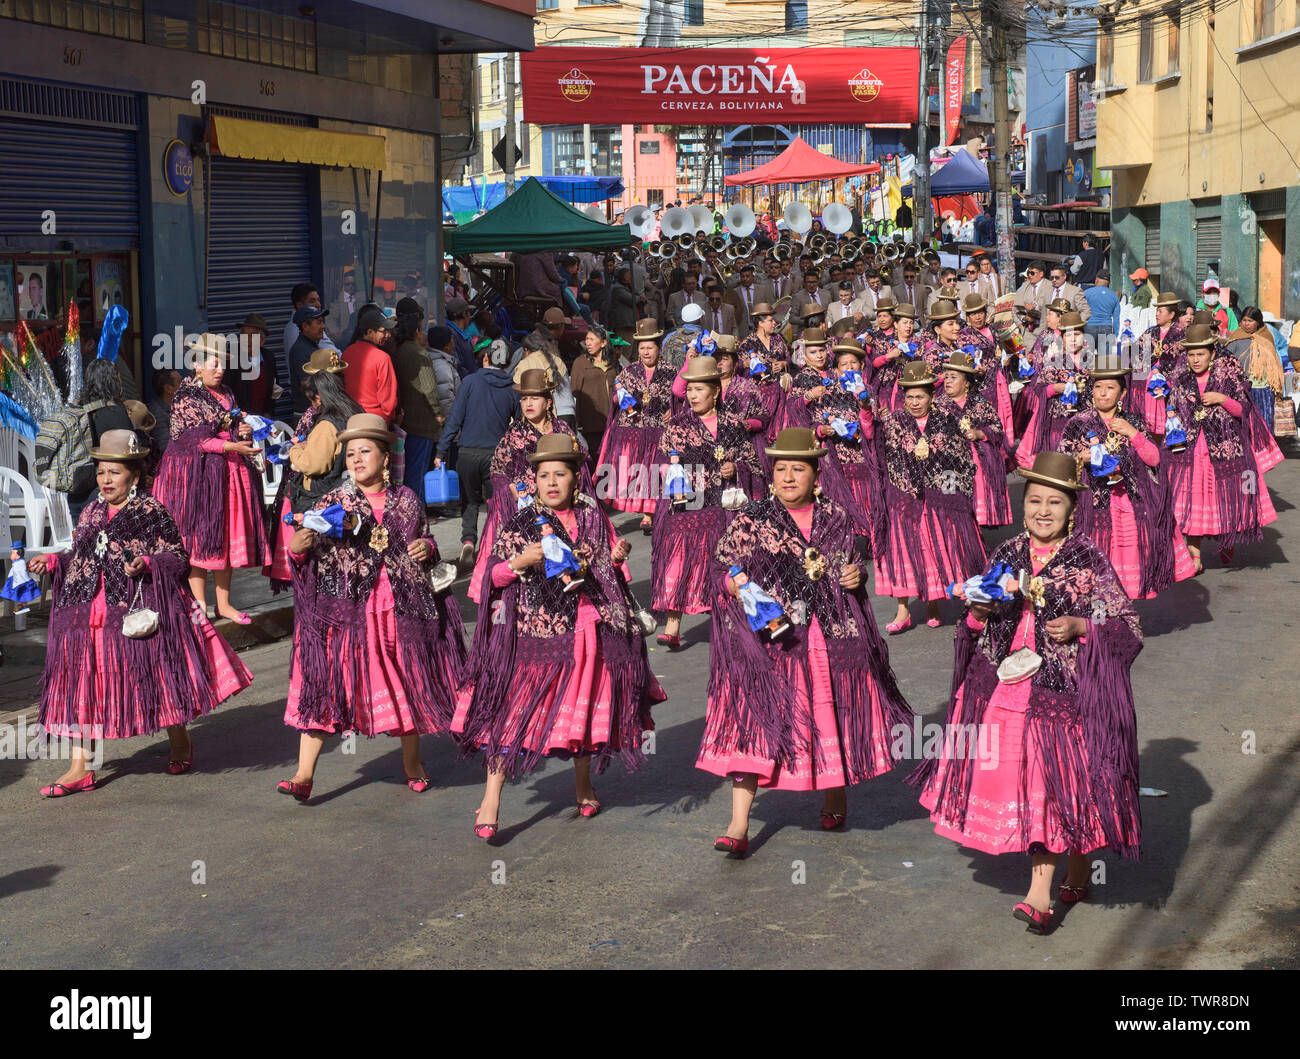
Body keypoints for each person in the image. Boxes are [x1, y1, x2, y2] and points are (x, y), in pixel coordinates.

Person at [914, 451, 1144, 935]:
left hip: (1063, 693)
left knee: (1053, 784)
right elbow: (974, 625)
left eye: (1054, 502)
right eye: (1035, 499)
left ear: (1072, 509)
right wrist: (977, 612)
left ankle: (1040, 895)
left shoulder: (1087, 559)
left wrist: (1084, 624)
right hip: (1004, 688)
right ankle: (1075, 867)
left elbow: (1128, 626)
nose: (1043, 510)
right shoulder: (1008, 554)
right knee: (1038, 786)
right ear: (1023, 506)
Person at [698, 427, 915, 854]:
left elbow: (848, 568)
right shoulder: (752, 517)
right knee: (757, 719)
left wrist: (858, 576)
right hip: (771, 639)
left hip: (829, 631)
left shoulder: (836, 516)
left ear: (817, 475)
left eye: (799, 469)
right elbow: (719, 568)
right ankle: (739, 823)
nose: (789, 477)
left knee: (831, 712)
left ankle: (835, 792)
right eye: (781, 469)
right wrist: (736, 584)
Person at [452, 433, 664, 838]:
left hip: (589, 629)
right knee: (510, 717)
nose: (551, 482)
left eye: (560, 474)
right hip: (536, 636)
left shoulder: (590, 516)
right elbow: (495, 574)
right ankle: (491, 799)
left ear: (575, 479)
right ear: (534, 481)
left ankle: (583, 785)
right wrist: (520, 560)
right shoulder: (523, 521)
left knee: (578, 715)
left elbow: (605, 563)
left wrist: (615, 556)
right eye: (544, 475)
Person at [28, 429, 252, 797]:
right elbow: (80, 556)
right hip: (88, 609)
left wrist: (148, 563)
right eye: (101, 472)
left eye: (113, 473)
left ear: (133, 473)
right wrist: (53, 560)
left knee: (153, 675)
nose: (105, 480)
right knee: (83, 680)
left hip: (135, 608)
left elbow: (177, 558)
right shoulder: (92, 510)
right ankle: (80, 767)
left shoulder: (149, 510)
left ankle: (180, 739)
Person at [278, 414, 467, 802]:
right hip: (347, 610)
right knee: (327, 685)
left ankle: (412, 763)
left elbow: (427, 541)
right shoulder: (334, 502)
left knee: (406, 683)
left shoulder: (408, 500)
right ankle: (303, 773)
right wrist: (298, 546)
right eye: (350, 455)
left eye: (366, 452)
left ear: (385, 456)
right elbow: (304, 551)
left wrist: (426, 549)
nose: (357, 460)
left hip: (400, 608)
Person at [1058, 356, 1196, 598]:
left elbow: (1154, 459)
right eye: (1098, 387)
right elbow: (1060, 463)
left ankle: (1122, 614)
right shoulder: (1077, 423)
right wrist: (1082, 458)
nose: (1102, 394)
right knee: (1095, 570)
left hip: (1129, 502)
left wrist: (1133, 433)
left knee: (1128, 570)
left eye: (1110, 388)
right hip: (1093, 505)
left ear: (1122, 394)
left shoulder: (1132, 421)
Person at [153, 335, 268, 624]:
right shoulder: (186, 396)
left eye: (222, 364)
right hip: (196, 477)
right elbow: (195, 441)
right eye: (213, 364)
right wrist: (232, 445)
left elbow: (232, 424)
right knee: (200, 538)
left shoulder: (227, 393)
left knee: (225, 537)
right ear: (196, 365)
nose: (219, 369)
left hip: (227, 473)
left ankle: (225, 604)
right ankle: (200, 603)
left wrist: (242, 434)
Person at [651, 355, 762, 649]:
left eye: (700, 390)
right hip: (688, 505)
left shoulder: (733, 424)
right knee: (679, 562)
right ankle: (673, 627)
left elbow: (754, 463)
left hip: (724, 506)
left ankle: (728, 620)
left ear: (715, 391)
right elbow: (661, 463)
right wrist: (672, 473)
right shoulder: (677, 425)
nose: (693, 395)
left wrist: (735, 467)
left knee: (723, 563)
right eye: (689, 390)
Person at [872, 360, 986, 633]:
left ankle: (933, 605)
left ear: (931, 396)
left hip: (938, 498)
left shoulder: (946, 421)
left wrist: (950, 497)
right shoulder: (894, 421)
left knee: (932, 549)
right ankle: (903, 612)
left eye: (919, 396)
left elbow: (961, 458)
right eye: (909, 396)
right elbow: (874, 440)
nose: (914, 402)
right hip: (903, 497)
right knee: (904, 552)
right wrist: (866, 409)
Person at [467, 367, 593, 602]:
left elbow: (581, 463)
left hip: (561, 506)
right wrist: (508, 489)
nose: (528, 403)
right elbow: (497, 469)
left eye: (535, 398)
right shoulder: (513, 434)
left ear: (548, 402)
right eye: (524, 398)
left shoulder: (563, 431)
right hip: (523, 510)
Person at [1164, 324, 1283, 569]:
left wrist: (1221, 399)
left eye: (1201, 354)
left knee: (1222, 500)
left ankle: (1227, 539)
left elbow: (1243, 409)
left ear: (1212, 353)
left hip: (1224, 448)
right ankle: (1194, 556)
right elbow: (1172, 411)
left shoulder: (1227, 377)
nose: (1196, 359)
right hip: (1190, 451)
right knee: (1190, 501)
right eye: (1191, 354)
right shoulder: (1180, 379)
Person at [265, 362, 362, 589]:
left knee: (320, 567)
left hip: (323, 498)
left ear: (319, 398)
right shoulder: (354, 412)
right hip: (350, 493)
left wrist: (296, 450)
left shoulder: (327, 424)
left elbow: (313, 465)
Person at [435, 338, 521, 568]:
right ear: (508, 362)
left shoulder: (470, 382)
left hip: (467, 454)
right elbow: (519, 425)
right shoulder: (513, 387)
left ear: (485, 358)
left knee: (470, 502)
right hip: (497, 455)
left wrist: (441, 451)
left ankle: (468, 542)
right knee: (496, 502)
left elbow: (455, 419)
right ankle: (496, 544)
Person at [597, 318, 677, 533]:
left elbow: (679, 397)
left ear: (658, 348)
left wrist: (674, 410)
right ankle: (644, 514)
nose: (646, 352)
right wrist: (620, 398)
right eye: (642, 348)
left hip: (659, 431)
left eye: (650, 347)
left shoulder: (671, 372)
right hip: (632, 430)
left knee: (655, 472)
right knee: (636, 474)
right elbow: (615, 398)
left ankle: (652, 513)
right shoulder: (628, 371)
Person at [35, 358, 134, 521]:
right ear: (114, 380)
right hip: (103, 493)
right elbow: (130, 452)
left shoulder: (79, 410)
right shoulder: (115, 412)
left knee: (81, 541)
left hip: (75, 493)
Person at [936, 348, 1012, 528]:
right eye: (946, 377)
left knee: (974, 509)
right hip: (949, 464)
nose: (948, 381)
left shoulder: (980, 403)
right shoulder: (938, 406)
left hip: (977, 464)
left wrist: (980, 433)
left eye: (953, 377)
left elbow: (997, 428)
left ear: (966, 382)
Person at [1016, 312, 1092, 467]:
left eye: (1077, 334)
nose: (1072, 339)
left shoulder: (1091, 360)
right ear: (1062, 338)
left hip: (1085, 418)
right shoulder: (1053, 360)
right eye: (1068, 335)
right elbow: (1039, 388)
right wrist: (1058, 388)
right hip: (1058, 418)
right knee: (1059, 462)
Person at [390, 297, 443, 498]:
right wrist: (438, 414)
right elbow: (429, 388)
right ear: (417, 330)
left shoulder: (397, 349)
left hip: (404, 420)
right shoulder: (419, 352)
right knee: (417, 471)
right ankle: (415, 512)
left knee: (406, 469)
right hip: (421, 421)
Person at [1129, 290, 1185, 435]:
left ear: (1172, 314)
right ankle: (1147, 428)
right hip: (1149, 376)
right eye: (1156, 311)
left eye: (1160, 311)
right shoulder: (1150, 332)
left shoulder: (1182, 333)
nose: (1157, 314)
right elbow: (1136, 352)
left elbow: (1184, 360)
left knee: (1159, 386)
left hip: (1171, 378)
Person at [1223, 307, 1285, 436]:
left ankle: (1265, 453)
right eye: (1244, 320)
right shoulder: (1236, 338)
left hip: (1265, 388)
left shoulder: (1266, 336)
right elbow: (1226, 361)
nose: (1246, 324)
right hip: (1243, 389)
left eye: (1250, 320)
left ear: (1258, 321)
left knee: (1265, 423)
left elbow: (1274, 361)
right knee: (1246, 424)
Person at [514, 314, 577, 429]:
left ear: (526, 350)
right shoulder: (557, 360)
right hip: (569, 412)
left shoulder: (526, 363)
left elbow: (517, 389)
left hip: (552, 414)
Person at [570, 323, 622, 459]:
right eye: (587, 339)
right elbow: (574, 392)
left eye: (592, 339)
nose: (588, 343)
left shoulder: (612, 363)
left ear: (603, 343)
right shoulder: (581, 363)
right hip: (590, 423)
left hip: (611, 421)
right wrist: (577, 421)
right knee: (595, 458)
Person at [341, 307, 398, 422]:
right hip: (375, 421)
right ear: (370, 332)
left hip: (349, 419)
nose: (388, 335)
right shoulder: (382, 358)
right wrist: (390, 419)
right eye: (384, 331)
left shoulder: (346, 353)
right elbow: (388, 404)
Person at [869, 302, 920, 411]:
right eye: (905, 322)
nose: (908, 326)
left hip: (909, 387)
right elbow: (874, 363)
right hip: (885, 387)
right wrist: (889, 356)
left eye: (911, 323)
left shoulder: (917, 343)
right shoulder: (885, 341)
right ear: (896, 324)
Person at [288, 304, 331, 414]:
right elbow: (311, 386)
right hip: (308, 414)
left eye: (322, 322)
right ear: (305, 326)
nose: (323, 326)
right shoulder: (301, 351)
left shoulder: (311, 347)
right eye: (318, 322)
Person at [146, 367, 181, 453]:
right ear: (168, 388)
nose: (185, 385)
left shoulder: (180, 406)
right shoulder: (156, 412)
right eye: (180, 382)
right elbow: (165, 447)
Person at [1083, 271, 1121, 342]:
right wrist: (1115, 335)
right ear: (1108, 283)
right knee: (1105, 353)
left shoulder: (1086, 293)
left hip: (1089, 328)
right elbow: (1116, 318)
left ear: (1096, 280)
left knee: (1088, 353)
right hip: (1106, 328)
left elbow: (1080, 312)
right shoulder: (1114, 296)